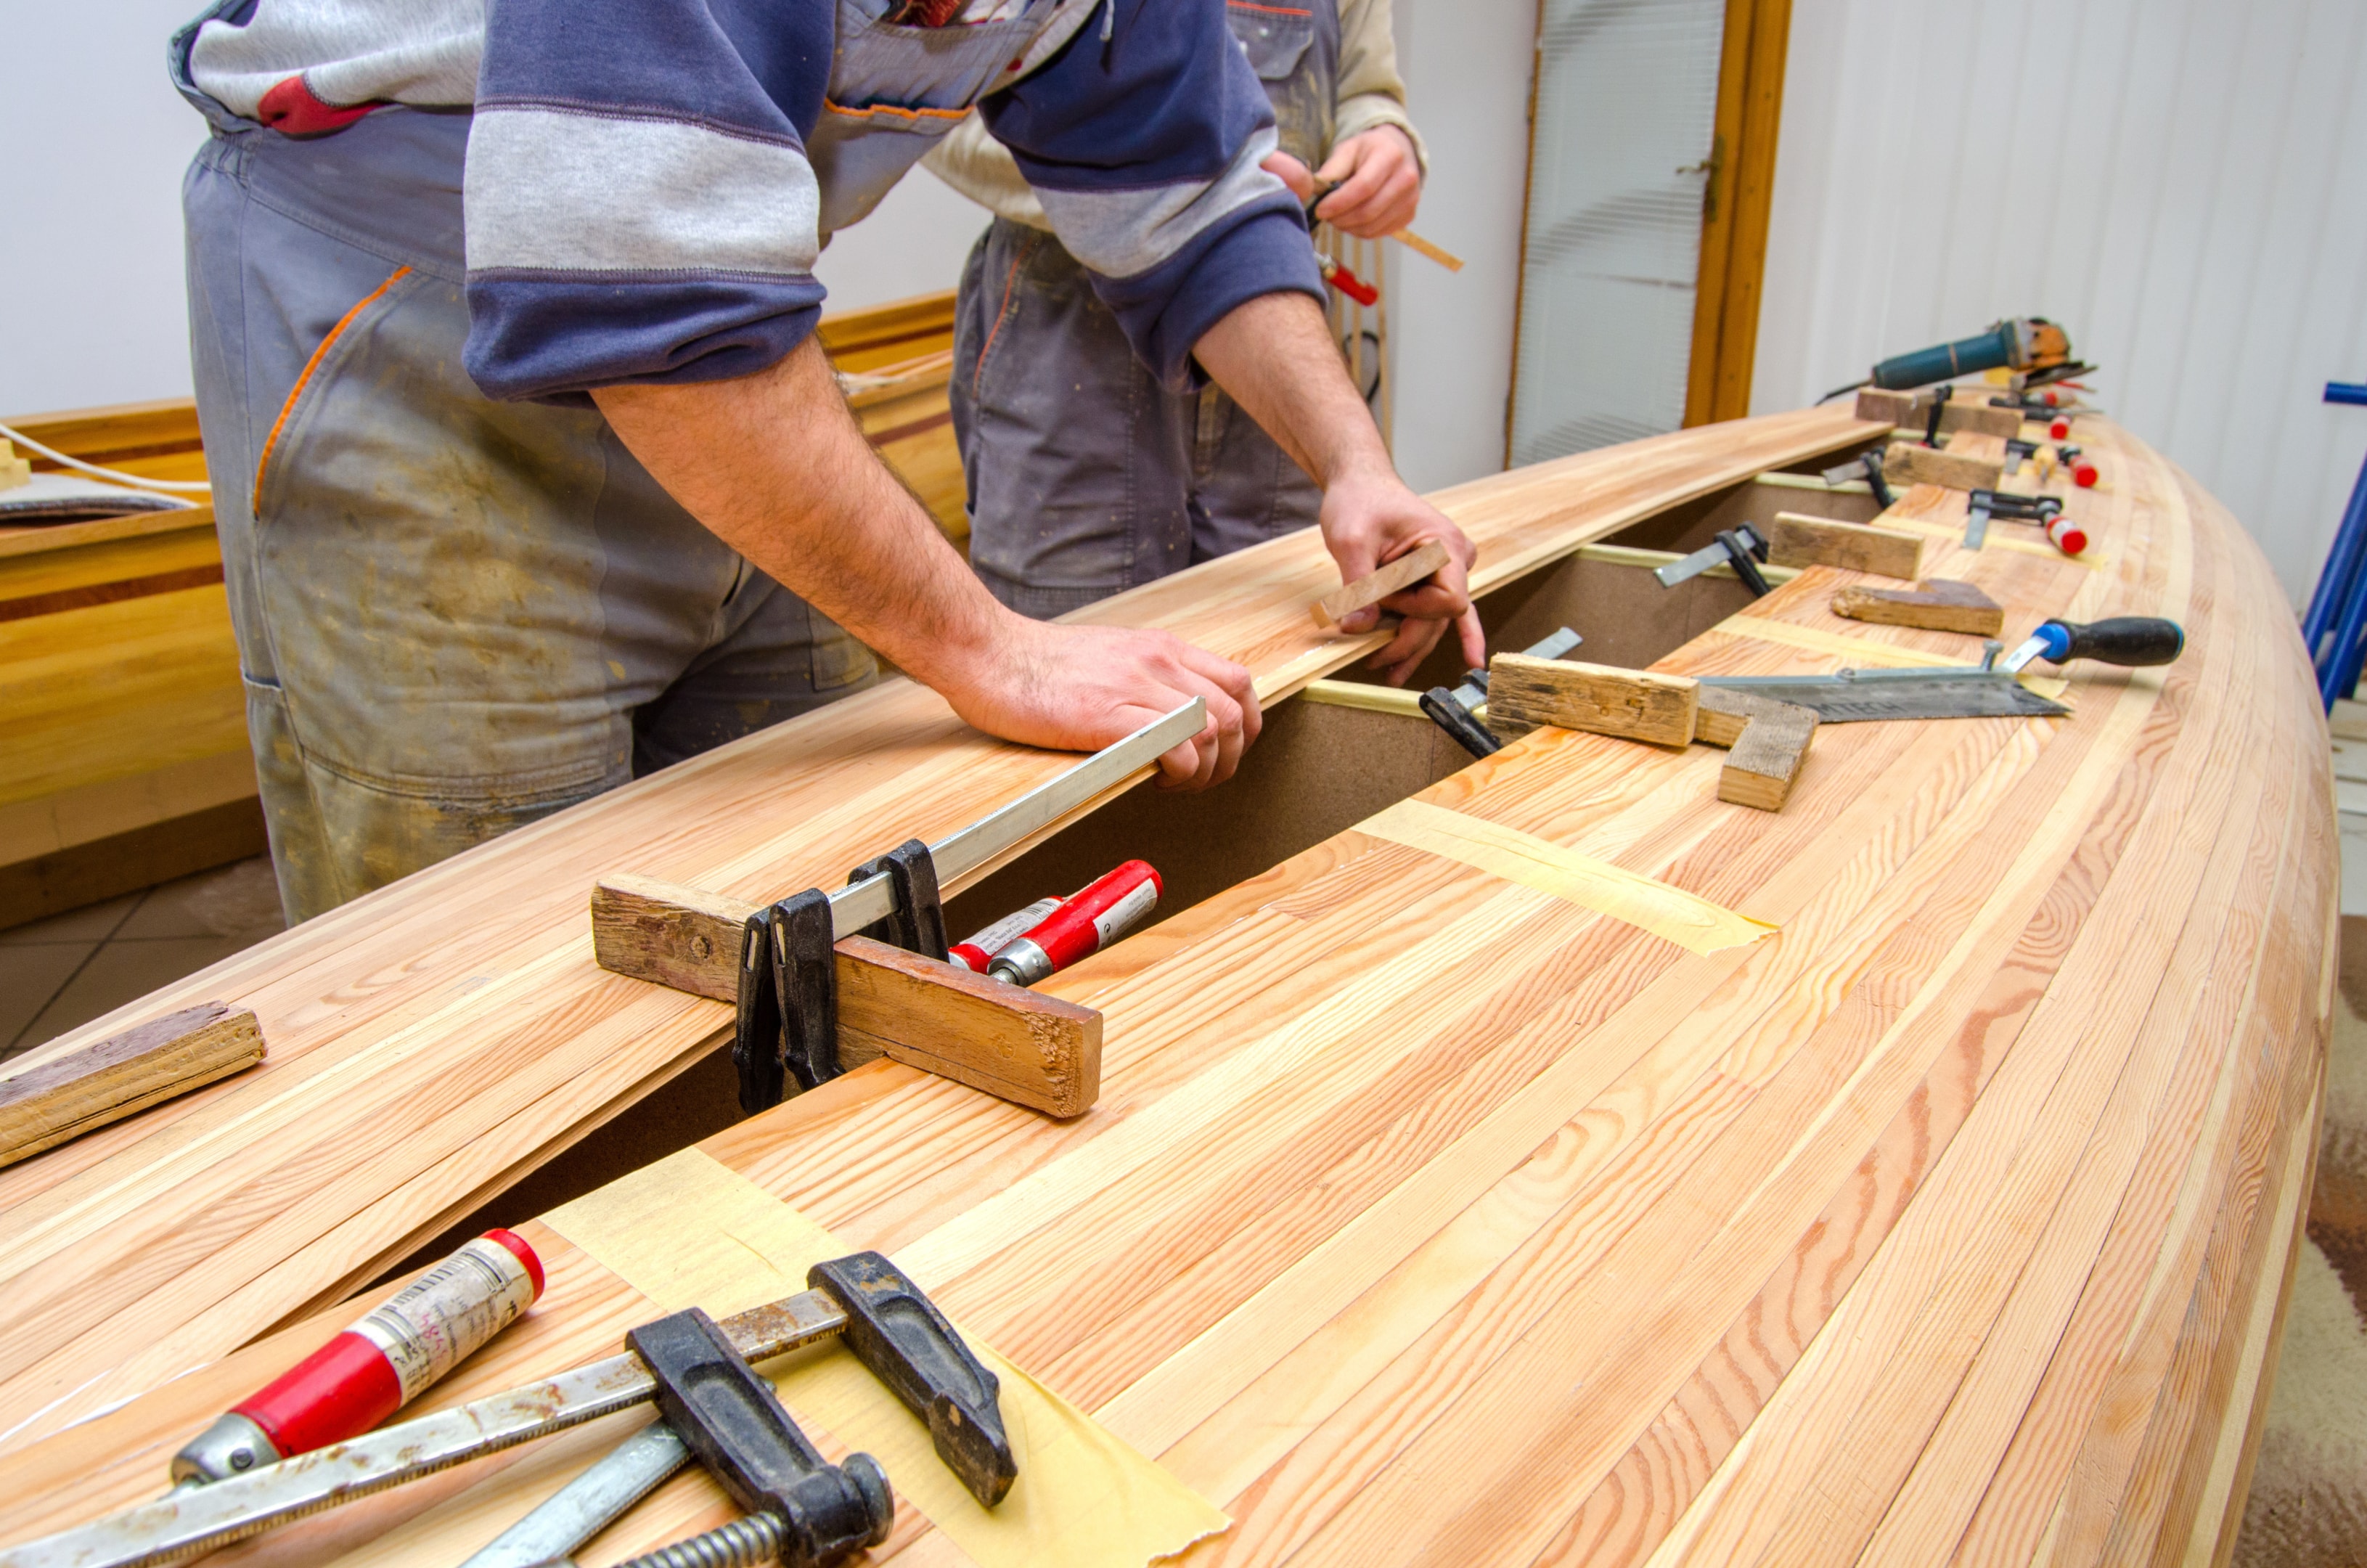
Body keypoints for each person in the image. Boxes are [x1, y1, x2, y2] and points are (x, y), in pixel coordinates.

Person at [168, 0, 1482, 921]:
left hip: (713, 322)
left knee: (846, 868)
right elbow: (638, 282)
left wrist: (1349, 462)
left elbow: (1192, 202)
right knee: (489, 938)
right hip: (404, 298)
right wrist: (997, 650)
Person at [928, 0, 1431, 627]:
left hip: (1276, 338)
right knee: (1073, 636)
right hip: (1075, 340)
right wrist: (1162, 184)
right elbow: (939, 106)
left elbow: (1366, 90)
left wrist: (1382, 135)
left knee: (1290, 636)